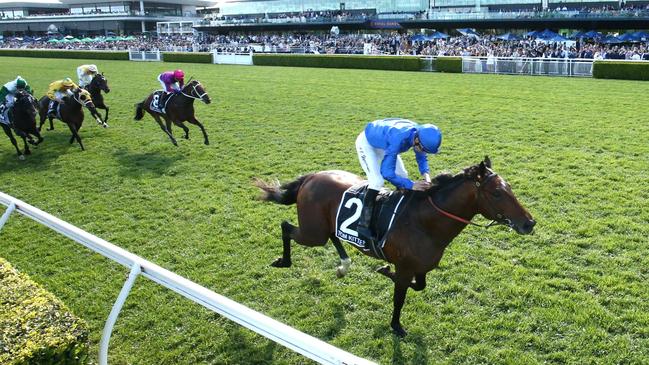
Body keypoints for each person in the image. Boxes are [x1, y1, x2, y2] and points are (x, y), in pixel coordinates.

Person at [355, 118, 442, 246]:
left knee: (403, 175)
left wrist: (426, 175)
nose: (424, 152)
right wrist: (412, 185)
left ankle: (398, 210)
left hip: (386, 142)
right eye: (424, 149)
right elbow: (387, 173)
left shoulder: (419, 134)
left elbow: (421, 156)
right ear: (417, 140)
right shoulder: (399, 138)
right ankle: (363, 224)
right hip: (367, 143)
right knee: (377, 181)